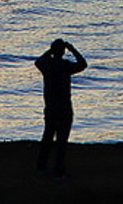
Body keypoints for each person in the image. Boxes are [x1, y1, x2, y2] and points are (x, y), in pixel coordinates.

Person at [35, 38, 87, 177]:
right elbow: (83, 64)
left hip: (51, 107)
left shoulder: (47, 65)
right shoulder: (65, 66)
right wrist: (72, 49)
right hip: (64, 107)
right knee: (61, 140)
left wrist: (50, 51)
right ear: (63, 52)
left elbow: (37, 61)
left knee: (48, 137)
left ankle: (41, 166)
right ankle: (58, 169)